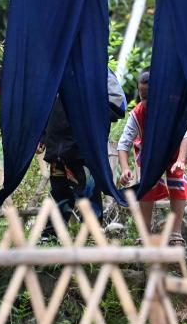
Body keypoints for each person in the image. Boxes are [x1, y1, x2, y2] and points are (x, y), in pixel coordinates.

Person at [40, 69, 126, 242]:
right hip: (57, 145)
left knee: (88, 191)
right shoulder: (58, 68)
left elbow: (118, 103)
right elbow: (44, 105)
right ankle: (50, 236)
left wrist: (89, 118)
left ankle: (92, 235)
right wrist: (42, 136)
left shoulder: (98, 69)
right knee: (59, 192)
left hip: (83, 147)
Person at [117, 69, 187, 246]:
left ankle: (175, 233)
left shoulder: (174, 107)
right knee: (147, 186)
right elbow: (123, 145)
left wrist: (181, 160)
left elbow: (186, 134)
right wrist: (125, 168)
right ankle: (145, 233)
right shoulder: (137, 114)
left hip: (174, 153)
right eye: (143, 97)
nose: (146, 102)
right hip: (150, 154)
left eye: (150, 97)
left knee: (177, 182)